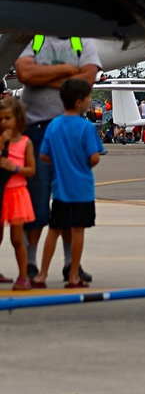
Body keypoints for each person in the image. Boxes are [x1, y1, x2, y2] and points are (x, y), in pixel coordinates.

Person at [14, 32, 102, 283]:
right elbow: (24, 74)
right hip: (35, 128)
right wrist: (65, 72)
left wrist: (42, 76)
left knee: (67, 200)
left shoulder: (82, 41)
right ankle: (30, 263)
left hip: (65, 130)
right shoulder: (38, 39)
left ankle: (69, 264)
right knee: (37, 200)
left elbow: (86, 80)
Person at [36, 78, 103, 289]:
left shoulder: (54, 126)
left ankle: (42, 275)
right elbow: (94, 157)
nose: (89, 102)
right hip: (81, 189)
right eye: (88, 98)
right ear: (78, 102)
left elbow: (44, 156)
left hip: (60, 189)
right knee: (78, 231)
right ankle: (73, 275)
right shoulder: (86, 127)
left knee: (54, 230)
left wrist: (61, 162)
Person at [0, 93, 36, 289]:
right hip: (1, 192)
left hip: (16, 193)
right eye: (1, 119)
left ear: (18, 119)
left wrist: (13, 168)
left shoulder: (25, 143)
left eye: (8, 118)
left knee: (16, 238)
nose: (4, 123)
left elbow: (31, 170)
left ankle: (24, 275)